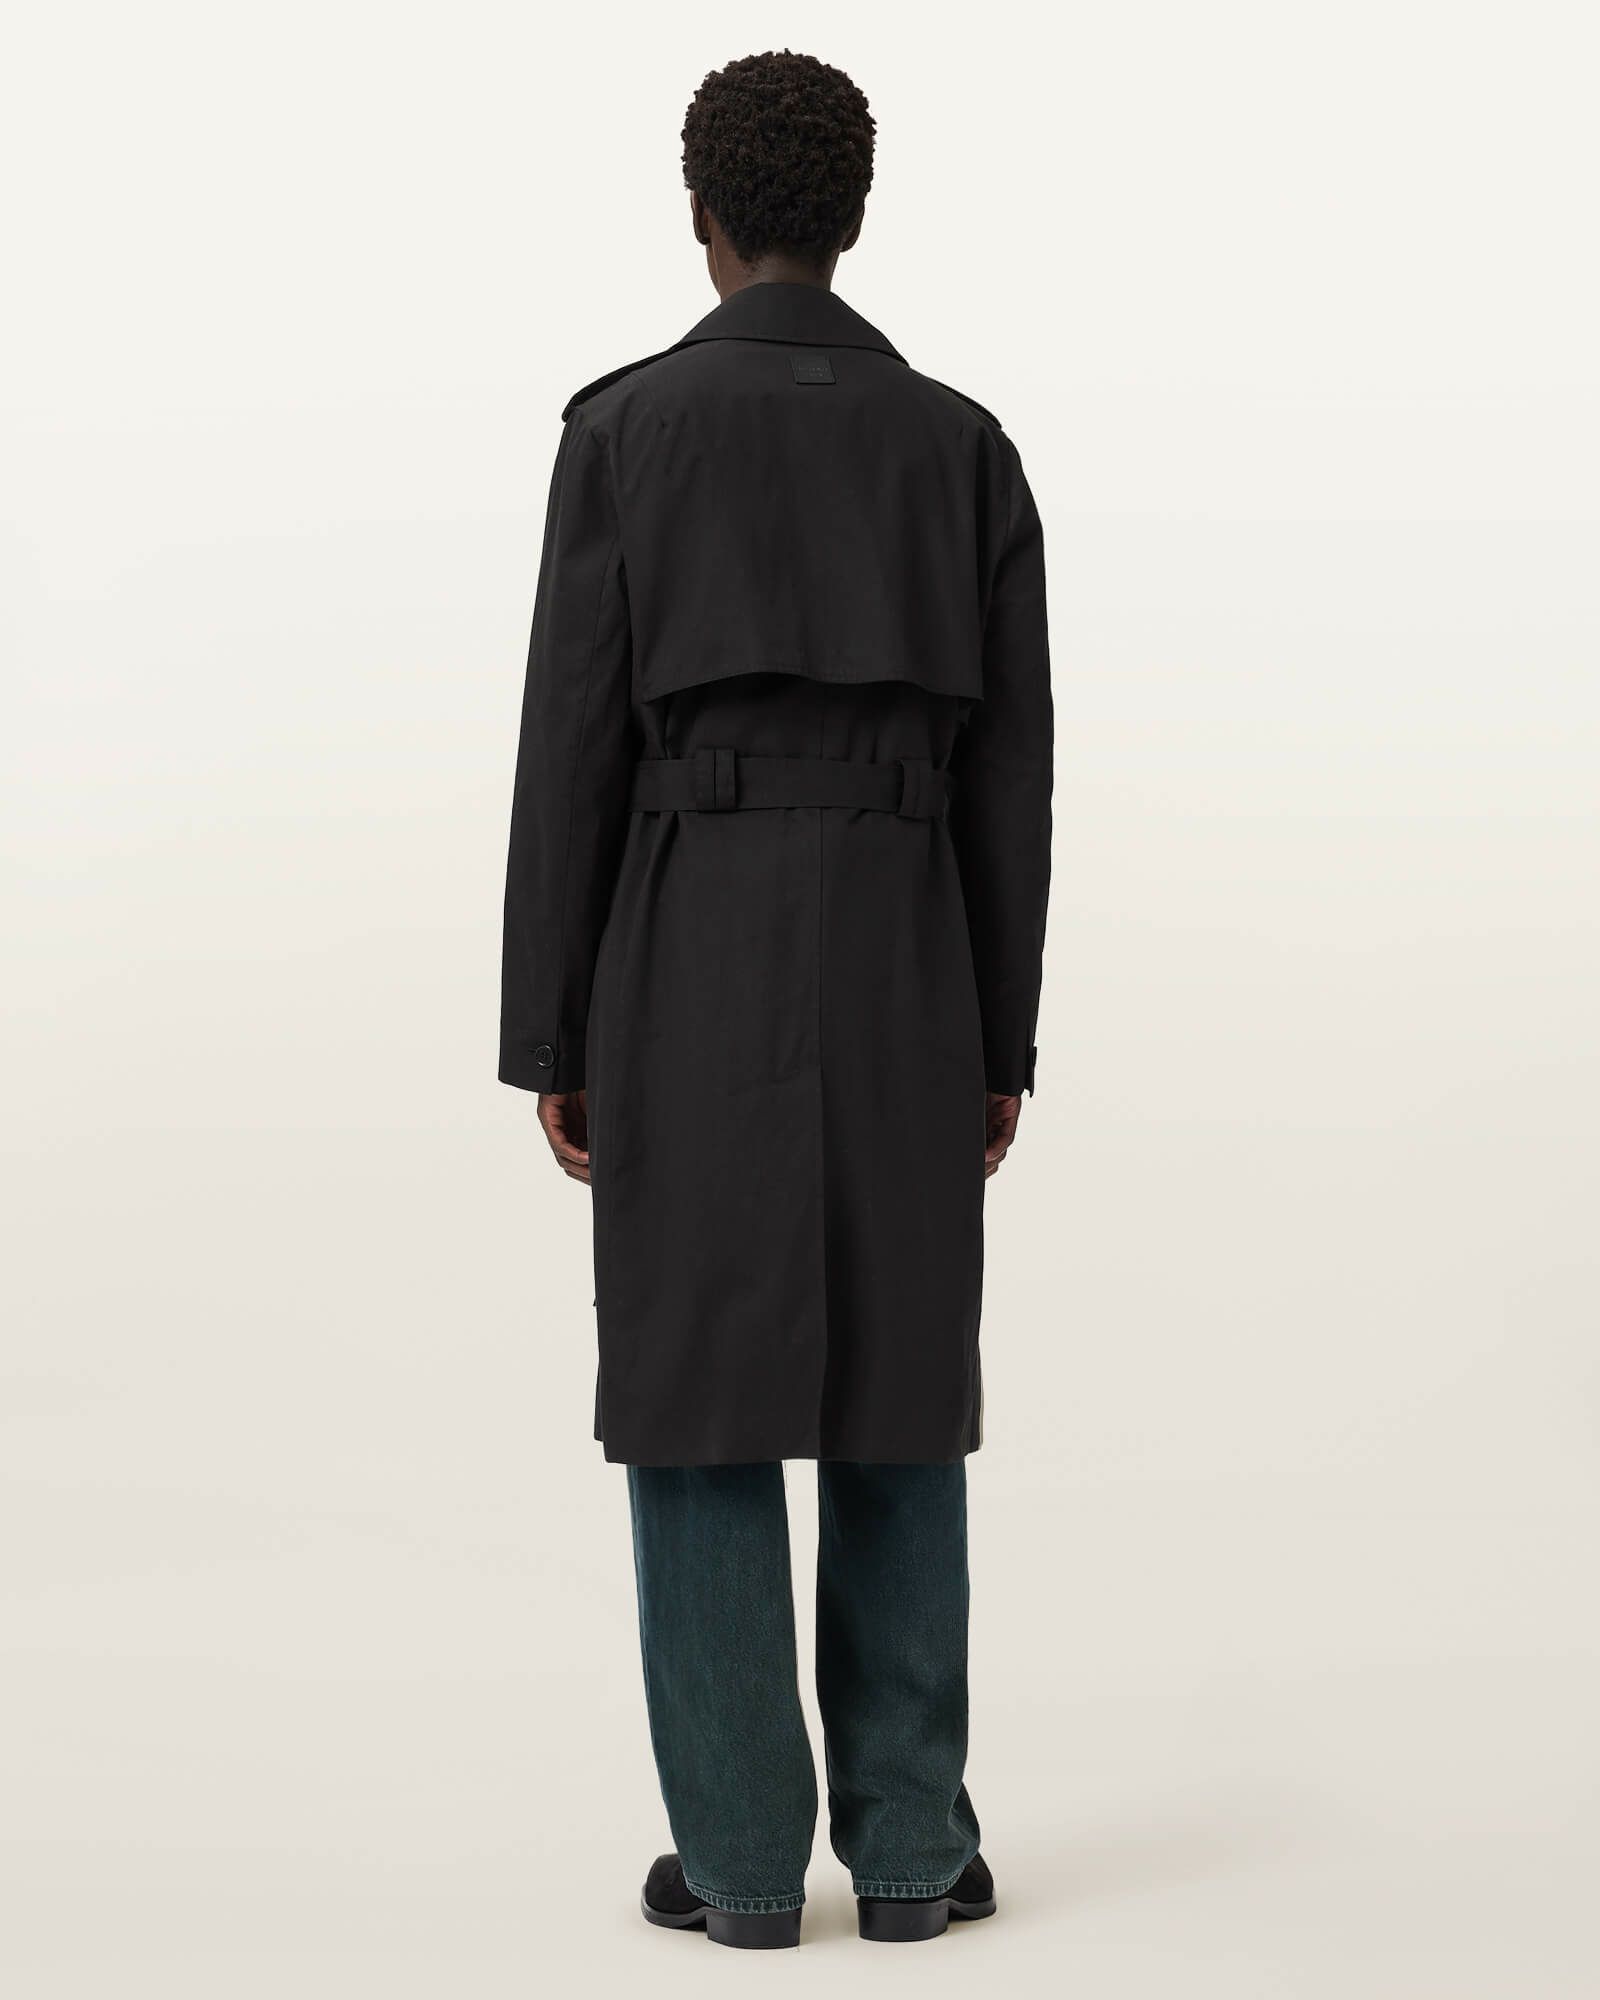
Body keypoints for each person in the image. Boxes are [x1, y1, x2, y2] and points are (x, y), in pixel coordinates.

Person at [500, 49, 1051, 1949]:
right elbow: (1012, 773)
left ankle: (739, 1864)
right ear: (853, 214)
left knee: (697, 1382)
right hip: (906, 937)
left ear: (704, 217)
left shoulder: (624, 431)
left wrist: (552, 1031)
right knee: (899, 1379)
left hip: (688, 933)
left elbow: (571, 743)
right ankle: (910, 1854)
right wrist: (999, 1038)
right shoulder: (962, 446)